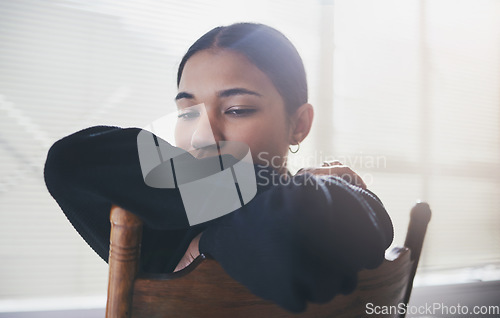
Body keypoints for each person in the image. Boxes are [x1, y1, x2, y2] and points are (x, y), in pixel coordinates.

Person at [44, 22, 393, 313]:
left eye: (238, 109)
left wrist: (204, 245)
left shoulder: (337, 200)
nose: (202, 137)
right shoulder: (163, 228)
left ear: (299, 124)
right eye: (187, 112)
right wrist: (275, 186)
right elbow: (69, 161)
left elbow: (282, 246)